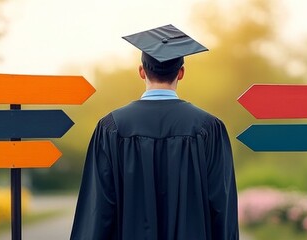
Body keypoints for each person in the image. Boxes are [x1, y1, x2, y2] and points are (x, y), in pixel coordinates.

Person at [70, 24, 238, 240]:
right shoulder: (209, 128)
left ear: (141, 71)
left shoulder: (112, 128)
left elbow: (98, 211)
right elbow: (221, 208)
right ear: (181, 72)